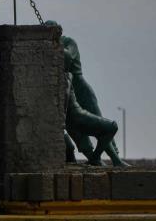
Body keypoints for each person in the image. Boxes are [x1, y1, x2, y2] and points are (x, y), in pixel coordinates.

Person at [46, 20, 127, 167]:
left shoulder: (68, 42)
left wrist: (51, 47)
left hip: (80, 88)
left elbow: (68, 58)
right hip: (66, 89)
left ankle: (115, 159)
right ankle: (94, 159)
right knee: (75, 129)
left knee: (98, 121)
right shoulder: (48, 48)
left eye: (50, 30)